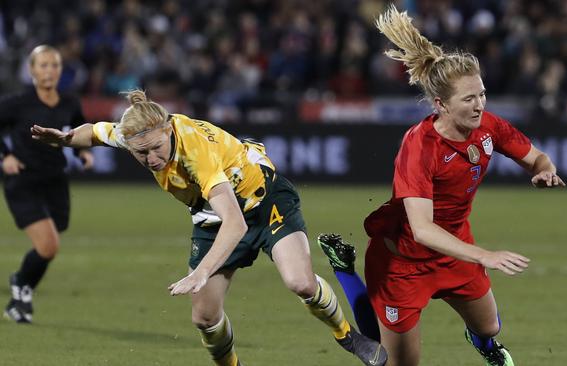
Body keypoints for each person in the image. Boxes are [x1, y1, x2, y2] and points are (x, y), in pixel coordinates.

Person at [30, 89, 387, 366]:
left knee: (300, 282)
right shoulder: (136, 133)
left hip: (264, 202)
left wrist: (201, 272)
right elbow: (95, 132)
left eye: (155, 148)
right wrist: (62, 139)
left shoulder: (195, 152)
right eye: (141, 154)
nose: (151, 159)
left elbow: (233, 222)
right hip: (211, 215)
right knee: (204, 316)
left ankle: (347, 336)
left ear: (169, 128)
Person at [317, 6, 565, 366]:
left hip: (455, 249)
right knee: (389, 358)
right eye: (469, 99)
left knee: (489, 327)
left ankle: (485, 346)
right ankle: (345, 269)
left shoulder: (488, 126)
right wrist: (484, 255)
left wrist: (544, 171)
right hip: (403, 262)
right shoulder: (419, 147)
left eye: (481, 94)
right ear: (441, 105)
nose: (479, 105)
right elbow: (421, 229)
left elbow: (538, 158)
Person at [1, 45, 94, 324]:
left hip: (55, 180)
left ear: (60, 70)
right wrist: (5, 156)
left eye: (54, 65)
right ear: (31, 70)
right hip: (23, 181)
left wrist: (82, 152)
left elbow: (78, 130)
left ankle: (20, 282)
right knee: (49, 245)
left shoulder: (69, 103)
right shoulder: (17, 103)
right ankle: (22, 289)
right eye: (42, 65)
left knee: (53, 238)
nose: (49, 71)